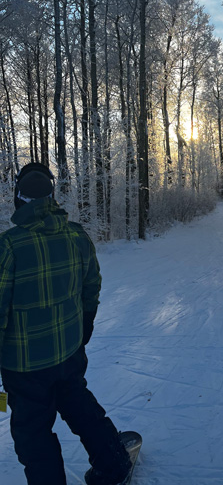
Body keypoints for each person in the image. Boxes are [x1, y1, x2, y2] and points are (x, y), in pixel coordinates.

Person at [0, 162, 132, 485]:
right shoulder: (77, 236)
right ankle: (113, 463)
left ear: (19, 199)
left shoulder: (9, 247)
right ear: (52, 196)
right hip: (69, 353)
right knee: (79, 405)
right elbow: (92, 285)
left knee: (33, 434)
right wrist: (85, 323)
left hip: (25, 367)